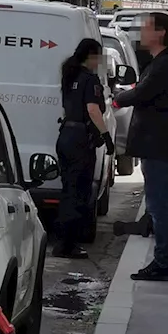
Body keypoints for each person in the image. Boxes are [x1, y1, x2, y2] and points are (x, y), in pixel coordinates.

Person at [115, 12, 168, 282]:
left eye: (146, 29)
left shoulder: (165, 64)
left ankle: (163, 263)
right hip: (159, 145)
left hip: (159, 146)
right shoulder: (163, 62)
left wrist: (117, 99)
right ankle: (162, 260)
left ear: (160, 33)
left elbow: (140, 93)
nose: (141, 34)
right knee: (158, 204)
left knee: (159, 205)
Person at [54, 38, 110, 259]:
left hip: (66, 135)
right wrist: (106, 136)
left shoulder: (70, 75)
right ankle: (68, 244)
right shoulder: (89, 79)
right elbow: (93, 110)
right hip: (80, 140)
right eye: (98, 57)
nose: (99, 62)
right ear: (91, 56)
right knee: (79, 193)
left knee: (68, 189)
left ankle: (63, 241)